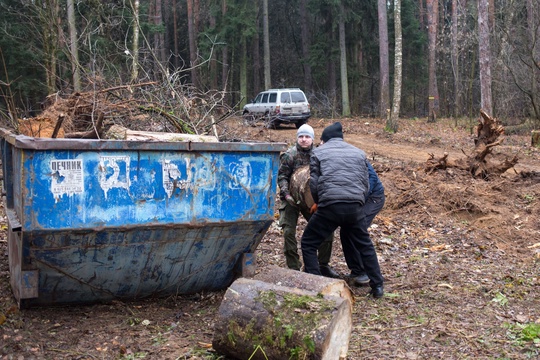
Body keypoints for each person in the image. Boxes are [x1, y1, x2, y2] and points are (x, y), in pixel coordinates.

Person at [300, 122, 385, 298]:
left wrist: (319, 202)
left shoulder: (318, 152)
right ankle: (377, 286)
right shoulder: (358, 153)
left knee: (309, 242)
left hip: (330, 206)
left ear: (324, 139)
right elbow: (365, 182)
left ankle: (316, 285)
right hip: (354, 206)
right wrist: (357, 203)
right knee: (365, 244)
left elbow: (314, 182)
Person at [277, 124, 339, 278]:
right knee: (288, 231)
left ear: (312, 138)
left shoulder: (319, 154)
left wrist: (319, 199)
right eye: (301, 136)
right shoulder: (289, 155)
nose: (304, 140)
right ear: (297, 138)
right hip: (291, 198)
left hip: (312, 198)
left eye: (307, 137)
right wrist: (286, 195)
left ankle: (322, 265)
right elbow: (282, 177)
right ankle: (294, 267)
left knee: (326, 230)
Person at [341, 161, 385, 286]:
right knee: (345, 230)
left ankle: (367, 273)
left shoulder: (356, 157)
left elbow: (371, 178)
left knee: (356, 230)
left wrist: (358, 197)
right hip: (355, 197)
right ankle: (357, 270)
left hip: (372, 197)